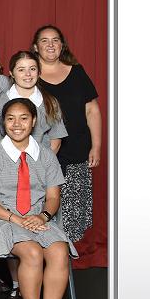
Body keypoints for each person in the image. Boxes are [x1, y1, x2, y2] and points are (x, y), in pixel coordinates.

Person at [0, 97, 77, 299]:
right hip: (2, 218)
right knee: (32, 252)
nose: (17, 124)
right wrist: (15, 219)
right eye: (10, 119)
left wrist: (42, 216)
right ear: (3, 122)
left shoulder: (45, 155)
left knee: (59, 250)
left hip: (37, 217)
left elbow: (53, 197)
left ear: (33, 122)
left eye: (23, 118)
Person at [34, 24, 101, 245]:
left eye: (55, 40)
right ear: (35, 47)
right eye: (44, 40)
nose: (50, 45)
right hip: (43, 154)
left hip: (76, 151)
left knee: (73, 213)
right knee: (43, 209)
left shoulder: (77, 72)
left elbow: (92, 110)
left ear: (62, 45)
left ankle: (67, 257)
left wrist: (96, 146)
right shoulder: (29, 74)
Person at [0, 51, 67, 152]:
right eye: (21, 70)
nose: (28, 74)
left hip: (40, 160)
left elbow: (56, 140)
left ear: (39, 72)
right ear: (12, 73)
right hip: (5, 161)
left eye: (32, 69)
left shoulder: (51, 102)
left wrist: (44, 161)